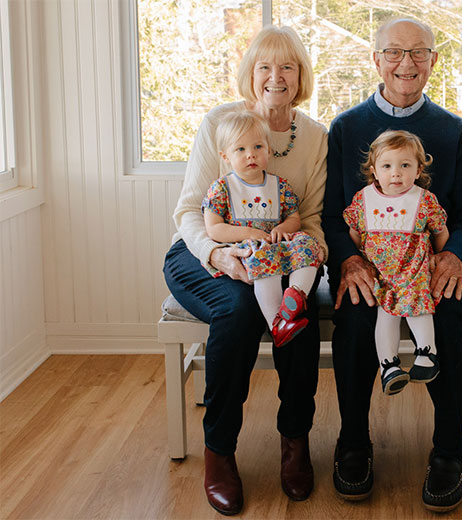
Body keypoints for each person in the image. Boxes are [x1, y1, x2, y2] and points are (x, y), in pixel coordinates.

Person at [162, 26, 327, 515]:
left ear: (301, 77)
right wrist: (217, 254)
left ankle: (295, 444)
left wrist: (304, 254)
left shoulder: (315, 136)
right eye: (264, 67)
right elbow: (190, 211)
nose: (275, 77)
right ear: (249, 75)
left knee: (299, 315)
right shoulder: (221, 122)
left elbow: (312, 219)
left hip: (277, 256)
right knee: (236, 312)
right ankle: (220, 452)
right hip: (203, 253)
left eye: (287, 67)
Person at [323, 17, 462, 512]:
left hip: (428, 266)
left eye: (418, 53)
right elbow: (332, 212)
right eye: (394, 52)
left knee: (448, 317)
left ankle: (450, 451)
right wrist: (349, 260)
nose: (406, 63)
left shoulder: (454, 131)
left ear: (434, 61)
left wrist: (454, 257)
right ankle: (353, 443)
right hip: (367, 269)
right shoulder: (347, 127)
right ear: (376, 60)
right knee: (353, 317)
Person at [343, 130, 449, 396]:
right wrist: (357, 257)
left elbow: (440, 231)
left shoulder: (424, 200)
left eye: (405, 166)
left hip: (413, 271)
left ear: (418, 169)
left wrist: (440, 255)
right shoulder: (363, 199)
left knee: (418, 307)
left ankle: (427, 355)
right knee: (386, 316)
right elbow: (354, 235)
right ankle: (388, 366)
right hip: (379, 275)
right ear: (374, 170)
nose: (396, 173)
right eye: (387, 166)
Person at [203, 110, 321, 348]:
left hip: (276, 243)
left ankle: (295, 296)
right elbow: (214, 228)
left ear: (268, 150)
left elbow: (294, 217)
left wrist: (284, 228)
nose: (251, 155)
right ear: (225, 156)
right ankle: (277, 324)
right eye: (241, 150)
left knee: (307, 242)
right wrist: (249, 234)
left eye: (258, 147)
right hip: (249, 250)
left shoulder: (279, 185)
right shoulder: (223, 188)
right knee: (264, 258)